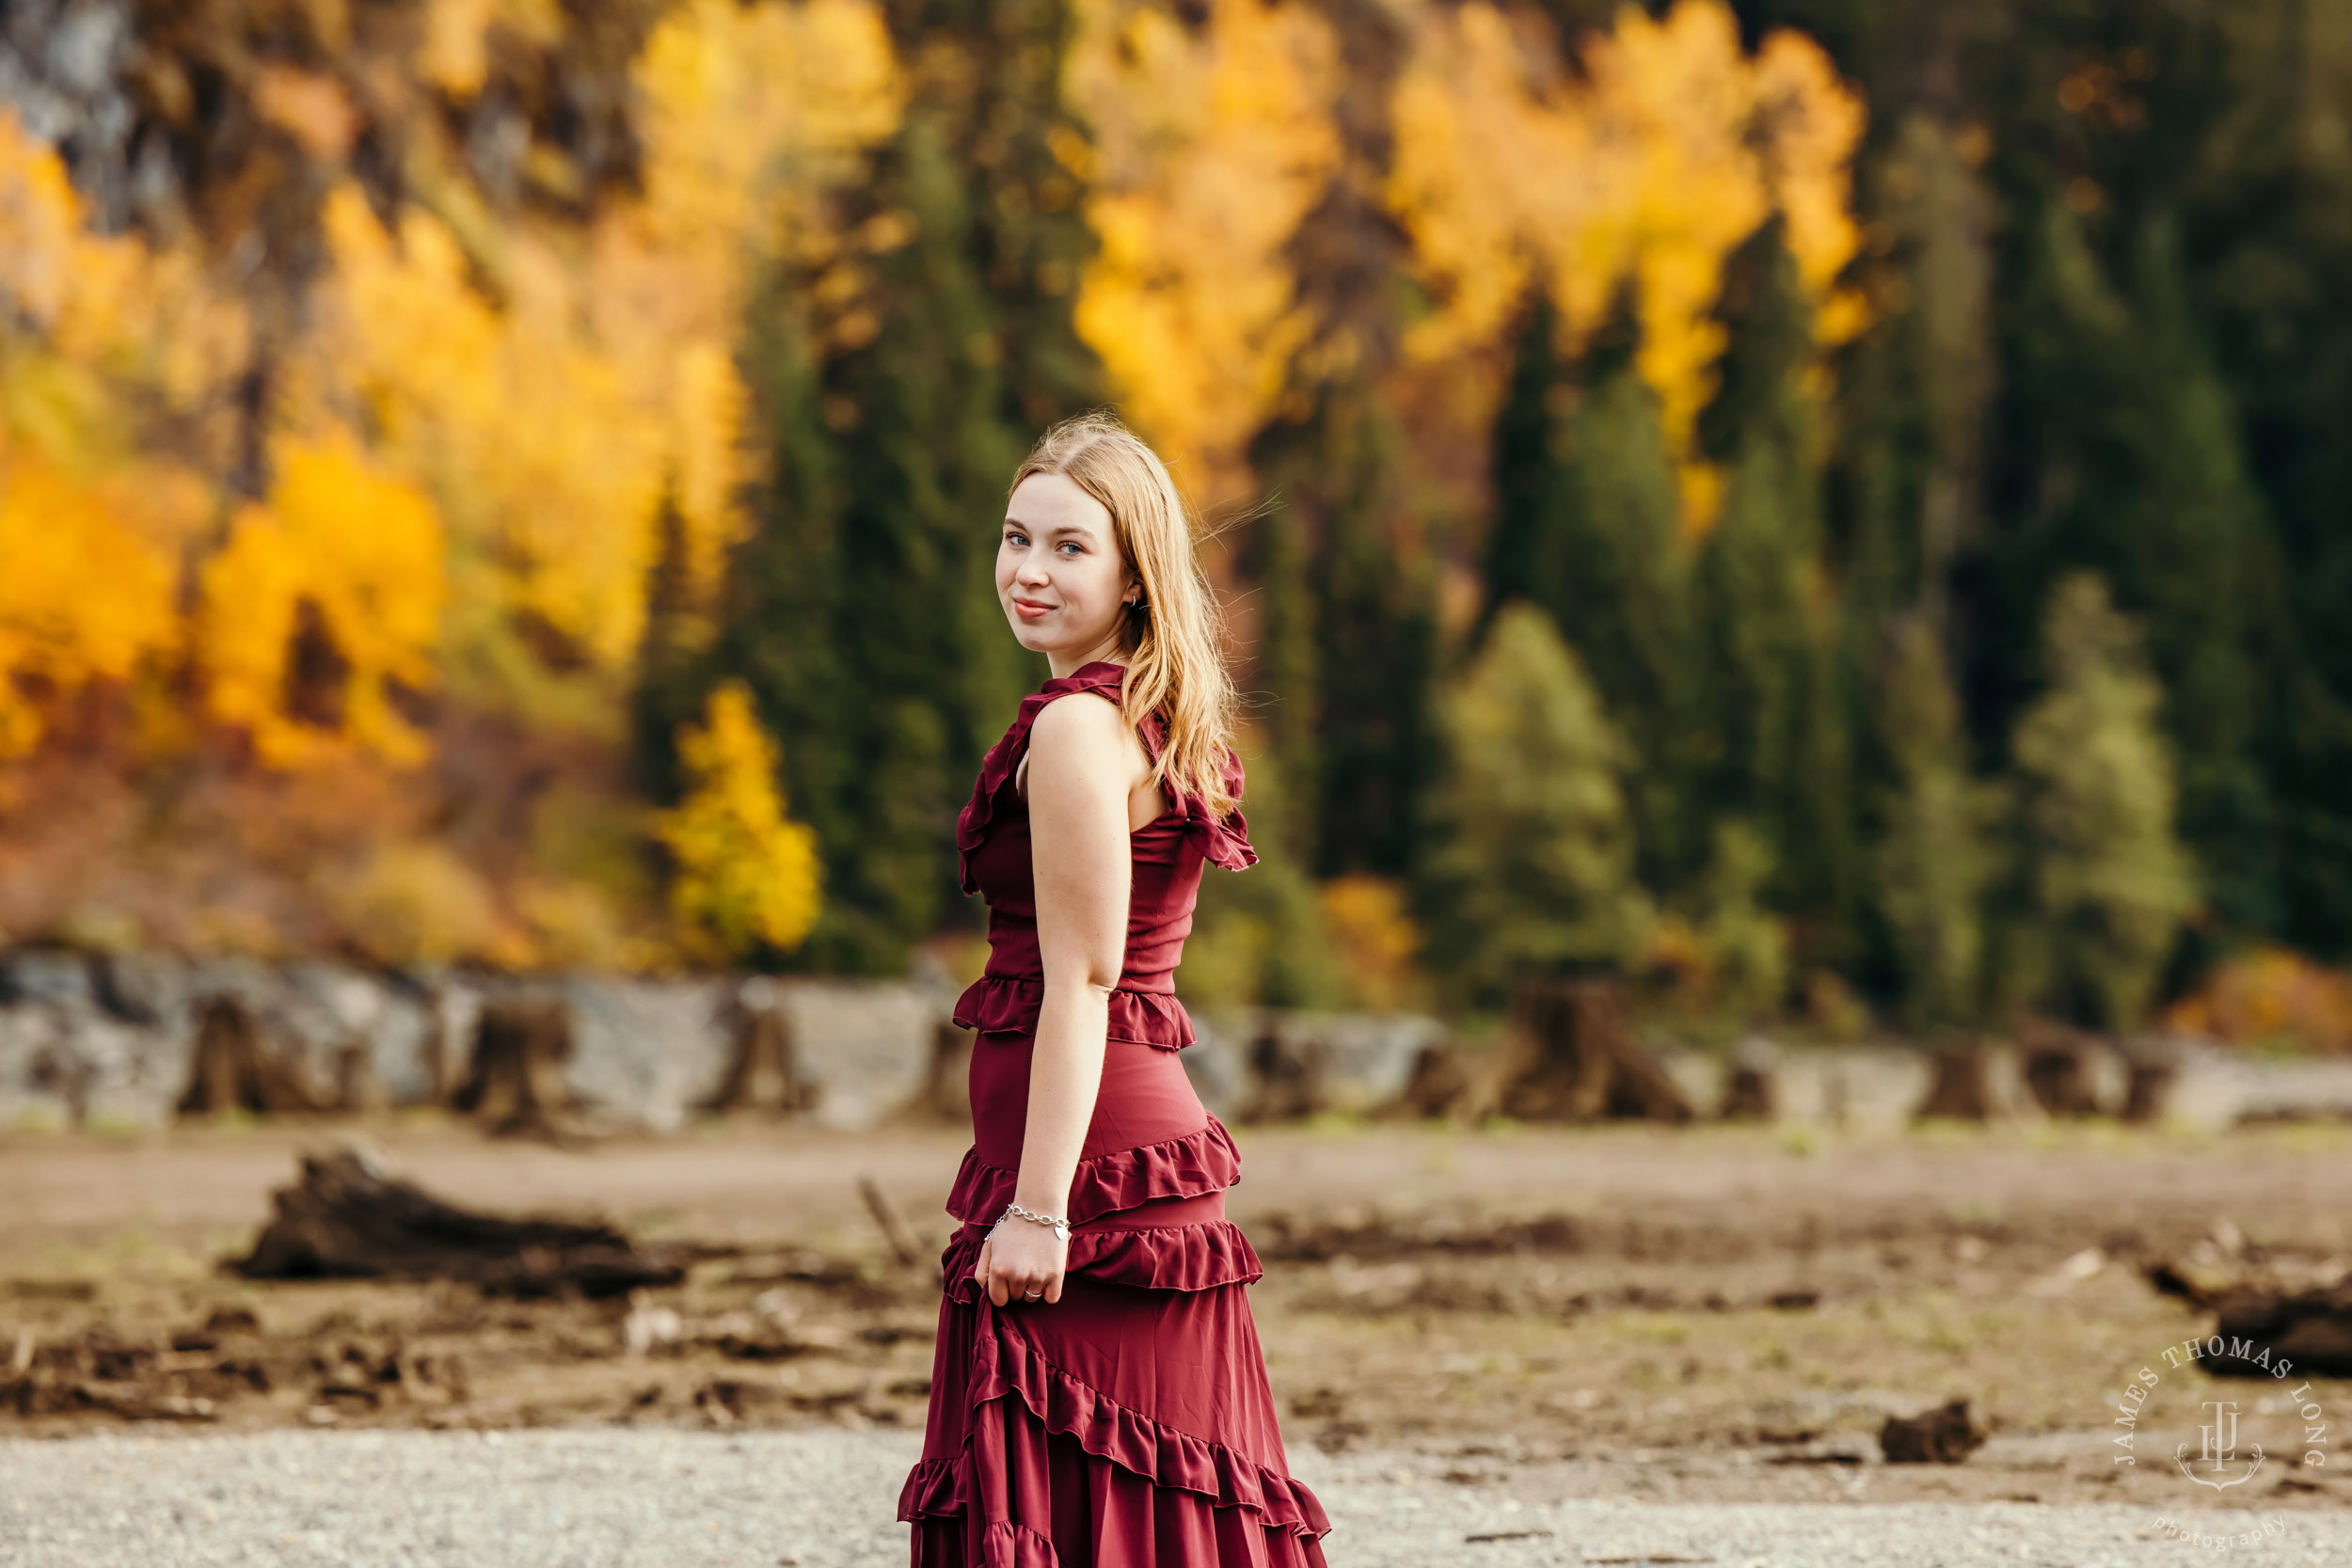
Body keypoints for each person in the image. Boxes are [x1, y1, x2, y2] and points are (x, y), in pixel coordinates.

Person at [899, 412, 1331, 1563]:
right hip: (1092, 1160)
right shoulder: (1127, 714)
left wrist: (1039, 1209)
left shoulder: (1084, 730)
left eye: (1069, 546)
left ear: (1135, 576)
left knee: (1103, 1516)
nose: (1028, 570)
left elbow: (1083, 983)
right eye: (1014, 537)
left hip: (1093, 1184)